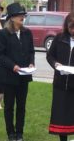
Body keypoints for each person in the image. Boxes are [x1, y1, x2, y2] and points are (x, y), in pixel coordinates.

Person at [0, 2, 35, 141]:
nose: (22, 17)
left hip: (24, 76)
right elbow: (0, 55)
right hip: (9, 76)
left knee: (21, 106)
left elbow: (31, 51)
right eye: (19, 15)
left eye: (23, 15)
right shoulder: (4, 34)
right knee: (9, 106)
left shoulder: (27, 33)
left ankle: (19, 133)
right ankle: (10, 133)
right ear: (12, 17)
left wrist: (31, 63)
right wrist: (13, 66)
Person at [47, 12, 74, 141]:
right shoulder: (59, 38)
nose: (73, 30)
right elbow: (50, 56)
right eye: (71, 27)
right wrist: (56, 64)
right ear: (66, 26)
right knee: (61, 117)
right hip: (60, 84)